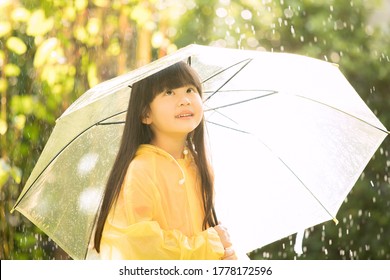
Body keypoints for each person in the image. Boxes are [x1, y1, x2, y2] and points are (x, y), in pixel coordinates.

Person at [92, 61, 238, 260]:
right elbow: (143, 247)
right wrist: (210, 246)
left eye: (190, 89)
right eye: (169, 92)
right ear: (145, 114)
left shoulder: (200, 167)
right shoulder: (141, 170)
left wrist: (224, 255)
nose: (184, 100)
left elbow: (203, 233)